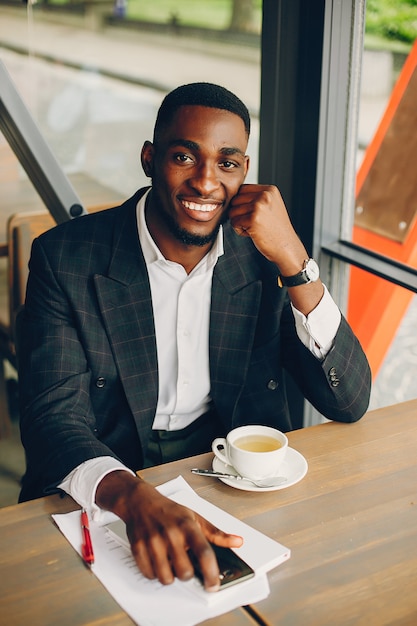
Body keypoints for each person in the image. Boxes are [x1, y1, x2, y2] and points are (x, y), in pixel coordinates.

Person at [18, 82, 371, 591]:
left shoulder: (264, 255)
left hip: (232, 481)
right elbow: (53, 419)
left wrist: (296, 260)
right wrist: (133, 495)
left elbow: (350, 401)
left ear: (244, 173)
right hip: (109, 477)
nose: (206, 182)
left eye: (226, 164)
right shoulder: (65, 258)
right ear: (149, 158)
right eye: (185, 157)